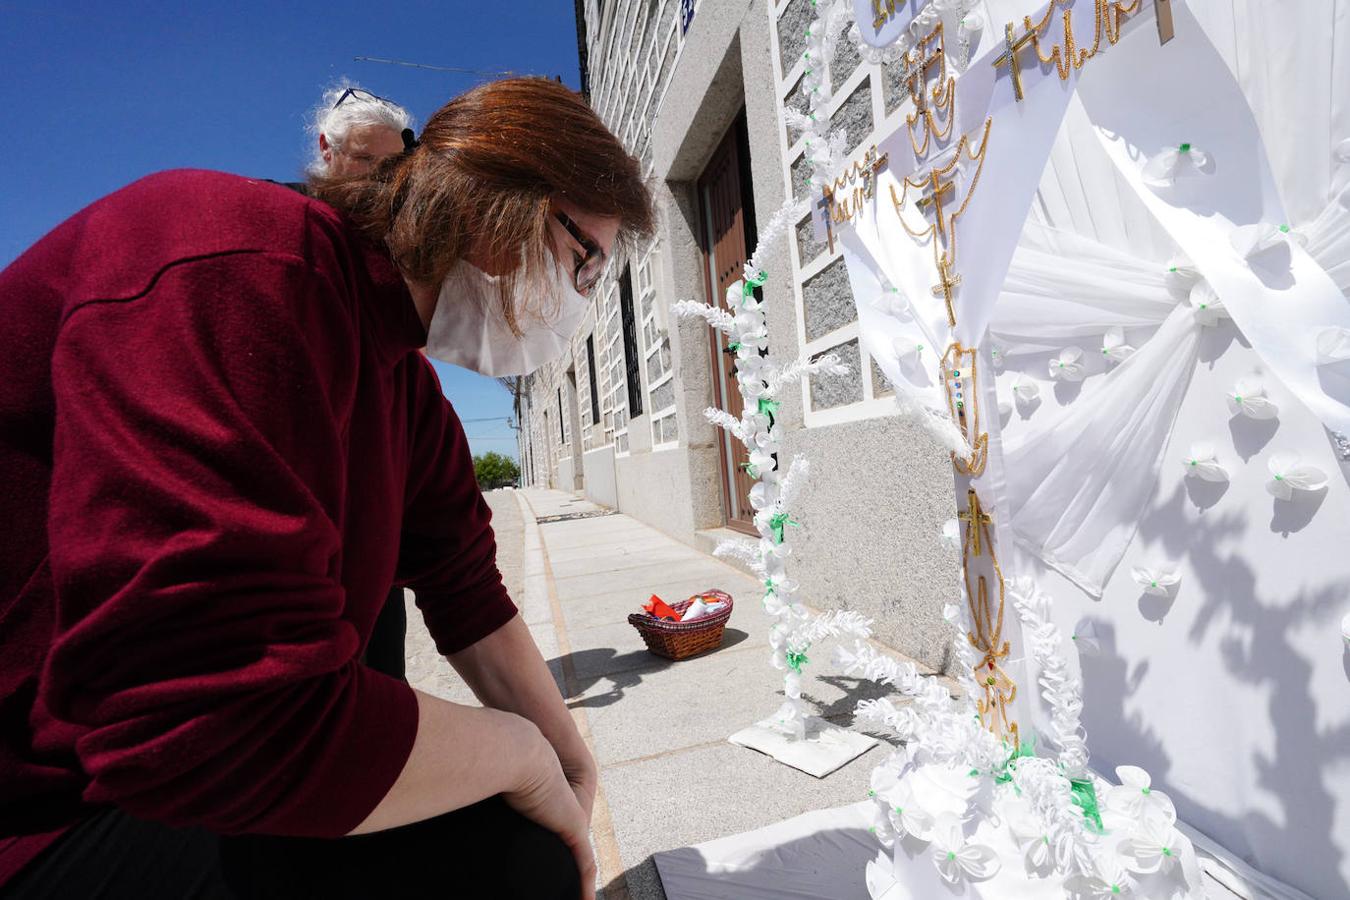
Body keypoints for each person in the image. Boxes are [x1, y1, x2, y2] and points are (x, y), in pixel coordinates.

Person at [0, 76, 653, 899]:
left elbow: (467, 591)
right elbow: (211, 721)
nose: (580, 305)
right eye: (583, 265)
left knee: (527, 847)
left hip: (197, 766)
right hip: (49, 804)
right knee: (504, 860)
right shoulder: (233, 263)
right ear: (501, 208)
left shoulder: (400, 379)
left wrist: (566, 765)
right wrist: (518, 755)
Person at [308, 82, 413, 177]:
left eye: (392, 163)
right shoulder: (294, 197)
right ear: (326, 147)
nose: (380, 173)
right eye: (365, 158)